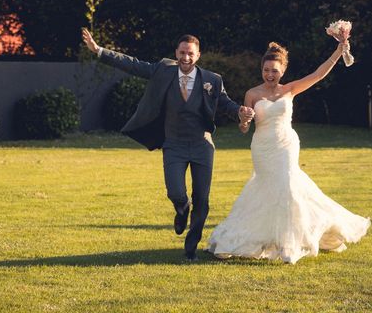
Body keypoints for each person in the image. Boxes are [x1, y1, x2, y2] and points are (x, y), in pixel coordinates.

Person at [81, 28, 255, 261]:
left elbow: (225, 104)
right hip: (173, 145)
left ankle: (190, 248)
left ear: (198, 55)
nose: (186, 58)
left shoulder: (212, 80)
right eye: (182, 52)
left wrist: (240, 112)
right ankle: (182, 209)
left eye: (190, 54)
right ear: (176, 52)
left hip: (202, 146)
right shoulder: (163, 70)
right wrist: (99, 50)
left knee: (202, 199)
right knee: (175, 192)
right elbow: (133, 64)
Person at [207, 41, 370, 264]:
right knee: (268, 191)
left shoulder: (289, 89)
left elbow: (318, 75)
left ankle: (288, 245)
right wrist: (244, 120)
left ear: (282, 71)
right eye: (266, 70)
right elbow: (244, 128)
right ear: (261, 70)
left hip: (286, 145)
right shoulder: (252, 94)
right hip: (263, 147)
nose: (270, 74)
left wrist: (339, 51)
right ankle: (265, 239)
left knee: (288, 189)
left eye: (274, 70)